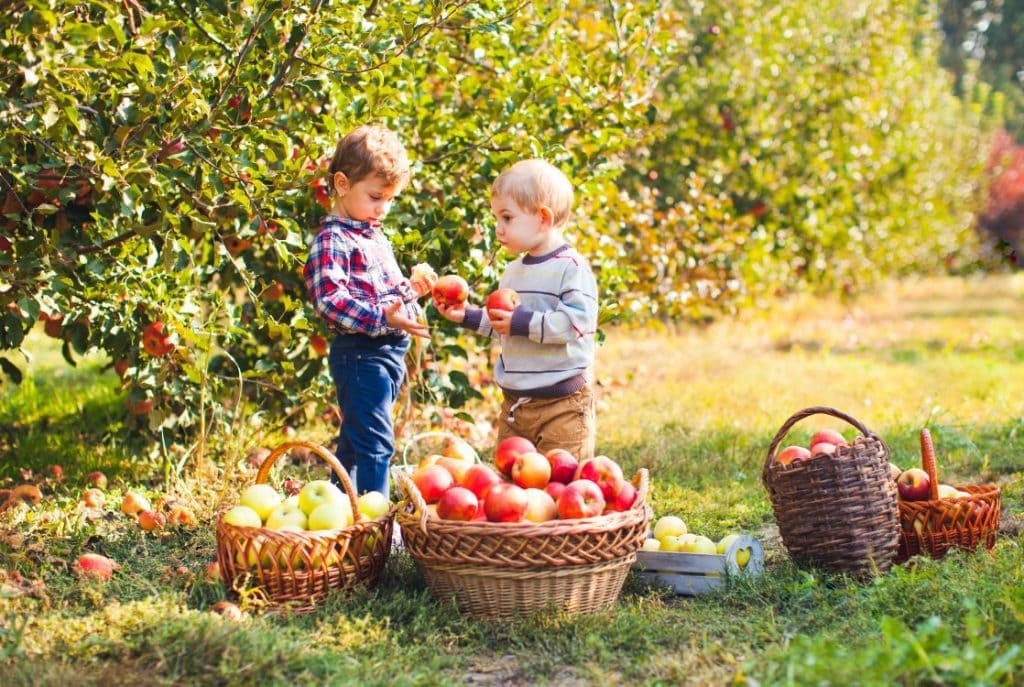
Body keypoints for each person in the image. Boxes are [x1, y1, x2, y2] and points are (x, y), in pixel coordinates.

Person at [435, 159, 598, 459]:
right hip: (515, 405)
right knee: (512, 490)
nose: (498, 228)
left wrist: (521, 322)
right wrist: (468, 315)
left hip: (562, 404)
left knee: (563, 485)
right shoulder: (513, 271)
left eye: (507, 218)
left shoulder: (571, 268)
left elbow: (577, 323)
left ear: (543, 218)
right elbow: (506, 326)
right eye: (497, 218)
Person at [304, 125, 434, 496]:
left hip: (387, 355)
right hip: (361, 356)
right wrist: (382, 319)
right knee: (377, 441)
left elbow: (385, 298)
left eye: (390, 199)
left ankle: (341, 505)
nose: (384, 208)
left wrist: (414, 289)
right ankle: (378, 523)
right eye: (376, 196)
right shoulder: (334, 239)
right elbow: (330, 300)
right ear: (342, 184)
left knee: (357, 436)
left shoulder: (371, 232)